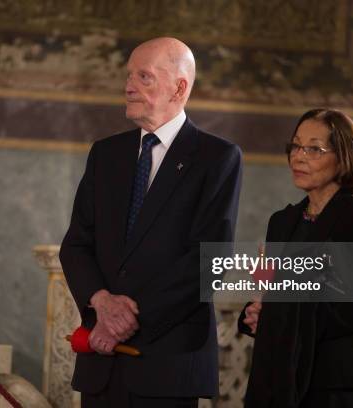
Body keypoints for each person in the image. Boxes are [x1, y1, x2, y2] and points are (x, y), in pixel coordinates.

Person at [60, 37, 243, 407]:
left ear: (180, 87)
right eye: (129, 76)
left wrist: (125, 320)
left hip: (168, 362)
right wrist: (102, 304)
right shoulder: (106, 154)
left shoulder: (216, 158)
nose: (128, 87)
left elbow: (210, 260)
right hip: (104, 364)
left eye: (143, 77)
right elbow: (77, 244)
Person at [238, 108, 353, 407]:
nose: (298, 156)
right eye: (295, 146)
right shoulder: (281, 222)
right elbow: (274, 297)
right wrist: (257, 313)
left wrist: (291, 317)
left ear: (343, 157)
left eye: (314, 149)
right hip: (274, 377)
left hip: (330, 381)